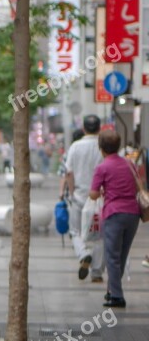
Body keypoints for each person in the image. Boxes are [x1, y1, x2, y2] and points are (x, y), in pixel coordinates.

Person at [89, 130, 142, 308]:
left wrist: (104, 191)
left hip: (114, 214)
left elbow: (93, 194)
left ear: (101, 148)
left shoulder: (102, 167)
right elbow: (137, 186)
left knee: (112, 256)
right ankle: (113, 290)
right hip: (133, 214)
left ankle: (117, 296)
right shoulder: (129, 164)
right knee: (122, 254)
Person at [65, 115, 104, 281]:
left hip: (80, 196)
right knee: (100, 235)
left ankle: (83, 253)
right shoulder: (104, 146)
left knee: (75, 231)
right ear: (100, 128)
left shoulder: (75, 146)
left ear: (83, 129)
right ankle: (96, 273)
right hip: (100, 198)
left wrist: (72, 192)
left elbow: (69, 172)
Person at [58, 129, 84, 200]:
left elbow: (65, 174)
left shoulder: (68, 153)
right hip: (87, 192)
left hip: (71, 192)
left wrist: (61, 192)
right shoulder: (89, 152)